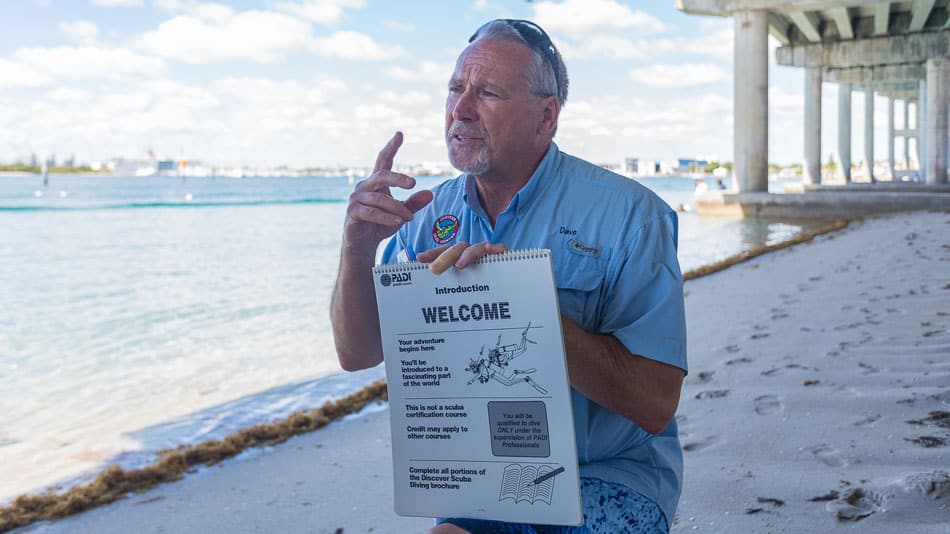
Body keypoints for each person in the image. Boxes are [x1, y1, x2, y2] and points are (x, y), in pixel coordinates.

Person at [330, 19, 687, 534]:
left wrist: (520, 303)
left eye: (488, 92)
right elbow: (357, 352)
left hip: (607, 478)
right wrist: (356, 248)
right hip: (481, 483)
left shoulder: (632, 215)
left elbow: (655, 404)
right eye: (456, 88)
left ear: (546, 116)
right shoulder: (428, 215)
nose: (461, 109)